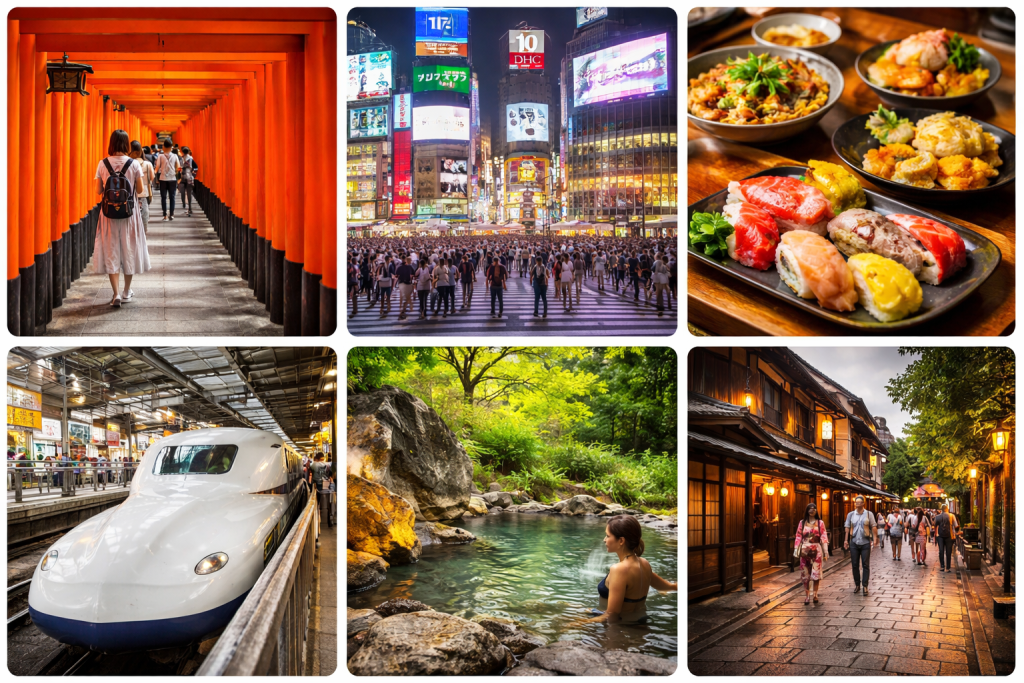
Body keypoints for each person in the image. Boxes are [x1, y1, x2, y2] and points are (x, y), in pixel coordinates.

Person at [572, 516, 677, 625]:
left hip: (620, 627)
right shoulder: (644, 563)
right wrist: (676, 586)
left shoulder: (619, 569)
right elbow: (666, 586)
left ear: (621, 540)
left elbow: (611, 615)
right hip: (639, 622)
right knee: (572, 605)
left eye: (608, 536)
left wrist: (579, 624)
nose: (604, 539)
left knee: (567, 621)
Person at [94, 129, 151, 307]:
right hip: (129, 214)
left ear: (111, 143)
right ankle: (127, 291)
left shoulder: (103, 163)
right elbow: (140, 190)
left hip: (108, 215)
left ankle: (116, 294)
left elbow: (98, 190)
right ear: (127, 144)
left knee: (111, 250)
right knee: (129, 250)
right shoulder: (133, 164)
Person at [794, 502, 829, 604]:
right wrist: (796, 549)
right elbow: (798, 536)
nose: (811, 511)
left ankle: (815, 594)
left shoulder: (820, 523)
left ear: (816, 511)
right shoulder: (802, 523)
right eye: (810, 509)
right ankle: (807, 596)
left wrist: (825, 551)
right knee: (805, 574)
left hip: (816, 549)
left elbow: (824, 537)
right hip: (805, 550)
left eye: (814, 509)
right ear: (807, 511)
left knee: (816, 573)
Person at [844, 495, 878, 595]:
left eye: (860, 502)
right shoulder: (851, 514)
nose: (858, 504)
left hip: (865, 542)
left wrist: (875, 538)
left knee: (865, 564)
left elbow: (873, 526)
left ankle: (865, 586)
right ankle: (857, 585)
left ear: (863, 503)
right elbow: (847, 527)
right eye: (856, 502)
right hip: (854, 542)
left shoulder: (868, 514)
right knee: (855, 564)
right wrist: (846, 540)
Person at [154, 138, 181, 221]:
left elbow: (157, 168)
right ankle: (171, 214)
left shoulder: (160, 156)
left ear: (164, 147)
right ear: (171, 147)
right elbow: (178, 168)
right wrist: (178, 178)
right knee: (172, 197)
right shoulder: (175, 156)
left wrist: (154, 176)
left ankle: (165, 215)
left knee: (163, 197)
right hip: (172, 179)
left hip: (163, 179)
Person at [934, 503, 959, 573]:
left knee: (941, 551)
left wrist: (935, 536)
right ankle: (948, 567)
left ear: (941, 509)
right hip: (949, 536)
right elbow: (956, 526)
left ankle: (942, 566)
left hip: (940, 536)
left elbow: (935, 526)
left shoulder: (937, 517)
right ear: (947, 509)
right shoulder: (952, 516)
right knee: (948, 552)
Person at [395, 256, 415, 320]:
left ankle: (402, 310)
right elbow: (413, 274)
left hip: (401, 283)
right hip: (408, 283)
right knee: (407, 297)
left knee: (402, 297)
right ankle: (404, 309)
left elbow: (396, 275)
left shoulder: (399, 267)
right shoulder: (409, 267)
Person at [179, 146, 198, 216]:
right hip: (189, 177)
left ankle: (185, 204)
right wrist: (193, 173)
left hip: (183, 176)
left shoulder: (182, 159)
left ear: (182, 152)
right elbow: (196, 167)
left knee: (182, 191)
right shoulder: (190, 159)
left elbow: (179, 167)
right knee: (189, 193)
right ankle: (189, 207)